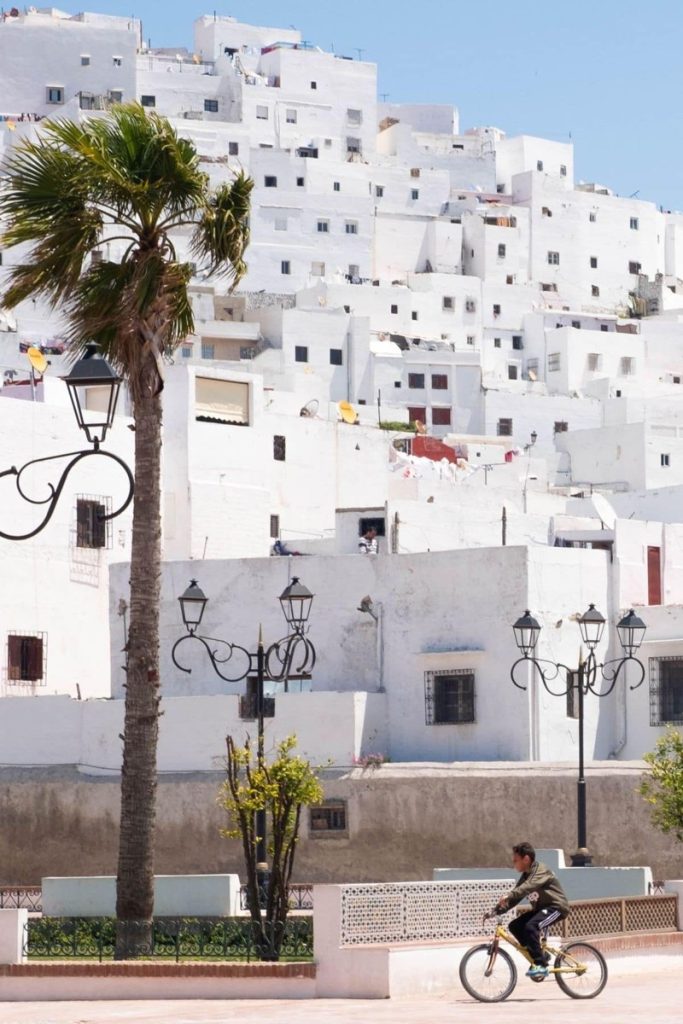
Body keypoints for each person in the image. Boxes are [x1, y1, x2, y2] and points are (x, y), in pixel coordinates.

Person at [493, 842, 570, 980]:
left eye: (516, 860)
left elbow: (527, 887)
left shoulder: (540, 870)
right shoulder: (526, 875)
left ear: (526, 859)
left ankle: (540, 963)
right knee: (514, 926)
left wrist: (509, 895)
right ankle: (539, 954)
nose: (513, 863)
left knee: (531, 926)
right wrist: (496, 911)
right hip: (542, 909)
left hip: (556, 907)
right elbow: (516, 897)